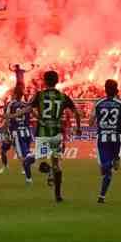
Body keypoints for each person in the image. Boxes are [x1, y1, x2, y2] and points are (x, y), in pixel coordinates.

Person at [30, 71, 80, 204]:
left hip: (43, 132)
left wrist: (35, 116)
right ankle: (58, 196)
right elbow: (76, 112)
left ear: (44, 81)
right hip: (57, 133)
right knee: (57, 164)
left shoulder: (39, 95)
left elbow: (28, 108)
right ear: (57, 81)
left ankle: (50, 171)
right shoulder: (62, 96)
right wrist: (78, 127)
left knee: (40, 164)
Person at [92, 80, 121, 204]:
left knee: (104, 168)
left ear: (105, 89)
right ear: (116, 89)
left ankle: (112, 161)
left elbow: (90, 122)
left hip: (102, 139)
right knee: (106, 171)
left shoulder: (98, 103)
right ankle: (102, 197)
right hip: (116, 139)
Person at [3, 87, 36, 184]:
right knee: (26, 151)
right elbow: (34, 114)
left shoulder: (10, 105)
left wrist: (6, 132)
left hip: (17, 132)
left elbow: (7, 118)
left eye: (12, 94)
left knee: (21, 155)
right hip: (27, 132)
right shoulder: (26, 104)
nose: (11, 95)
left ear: (15, 95)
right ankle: (27, 167)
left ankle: (28, 177)